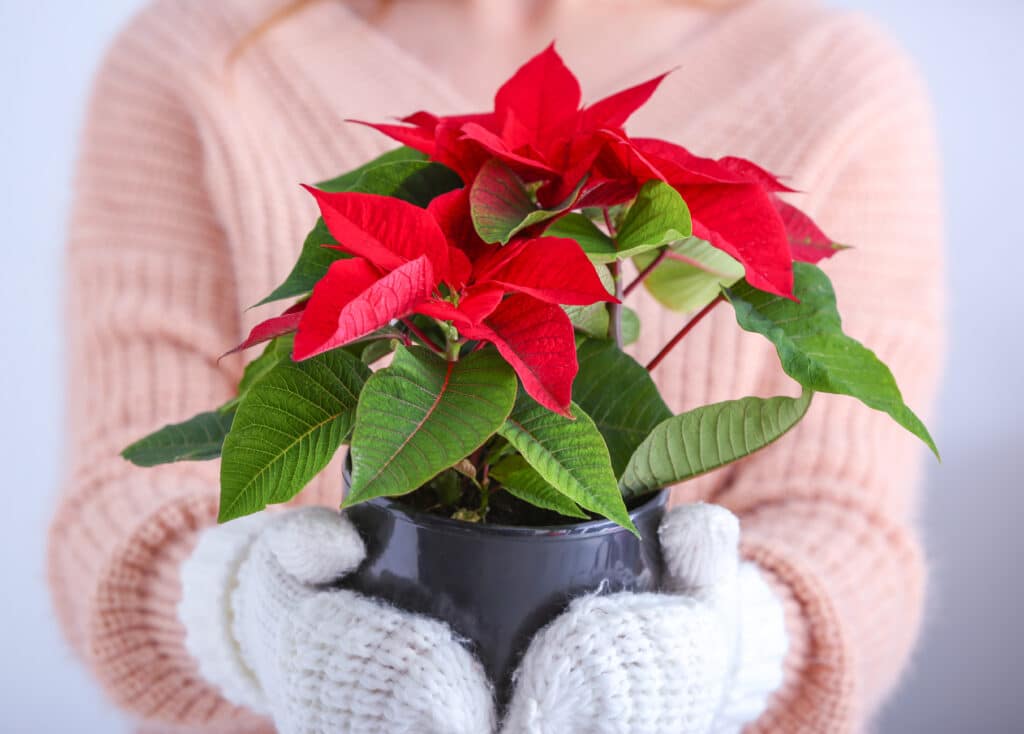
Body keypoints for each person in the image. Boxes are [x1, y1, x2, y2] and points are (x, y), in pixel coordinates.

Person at [49, 0, 945, 732]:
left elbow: (847, 525)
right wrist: (239, 617)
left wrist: (738, 646)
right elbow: (115, 492)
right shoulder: (201, 55)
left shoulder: (831, 79)